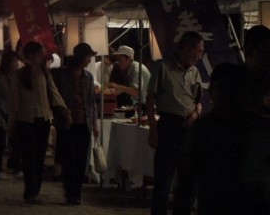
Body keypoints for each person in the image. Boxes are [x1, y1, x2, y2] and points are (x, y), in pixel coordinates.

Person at [173, 61, 270, 215]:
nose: (228, 97)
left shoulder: (259, 129)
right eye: (224, 90)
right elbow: (186, 180)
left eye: (232, 90)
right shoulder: (203, 129)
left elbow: (186, 181)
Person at [145, 31, 204, 215]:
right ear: (188, 48)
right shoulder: (162, 67)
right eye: (199, 51)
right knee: (164, 180)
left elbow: (199, 101)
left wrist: (196, 113)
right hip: (169, 125)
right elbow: (150, 99)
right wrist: (153, 130)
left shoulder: (194, 71)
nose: (201, 55)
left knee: (188, 180)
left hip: (190, 127)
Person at [8, 41, 68, 204]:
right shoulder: (20, 75)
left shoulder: (44, 72)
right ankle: (31, 192)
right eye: (40, 54)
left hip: (42, 118)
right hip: (25, 119)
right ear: (31, 56)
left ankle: (34, 190)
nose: (43, 57)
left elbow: (53, 92)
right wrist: (11, 121)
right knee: (30, 155)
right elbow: (14, 101)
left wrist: (63, 108)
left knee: (39, 155)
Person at [53, 43, 99, 206]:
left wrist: (94, 123)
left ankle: (76, 193)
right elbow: (56, 97)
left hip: (84, 122)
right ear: (82, 57)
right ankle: (70, 192)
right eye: (88, 56)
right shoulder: (62, 75)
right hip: (67, 122)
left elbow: (92, 102)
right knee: (69, 158)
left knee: (81, 160)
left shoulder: (88, 77)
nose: (89, 60)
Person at [0, 48, 20, 180]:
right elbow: (7, 94)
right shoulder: (1, 77)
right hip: (2, 113)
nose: (17, 64)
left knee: (13, 142)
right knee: (0, 143)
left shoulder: (13, 76)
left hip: (11, 113)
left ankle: (13, 166)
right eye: (15, 61)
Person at [107, 45, 151, 110]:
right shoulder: (131, 68)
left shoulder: (136, 69)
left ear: (128, 59)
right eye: (117, 59)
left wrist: (117, 86)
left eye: (120, 59)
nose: (118, 62)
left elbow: (136, 91)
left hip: (145, 106)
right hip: (140, 105)